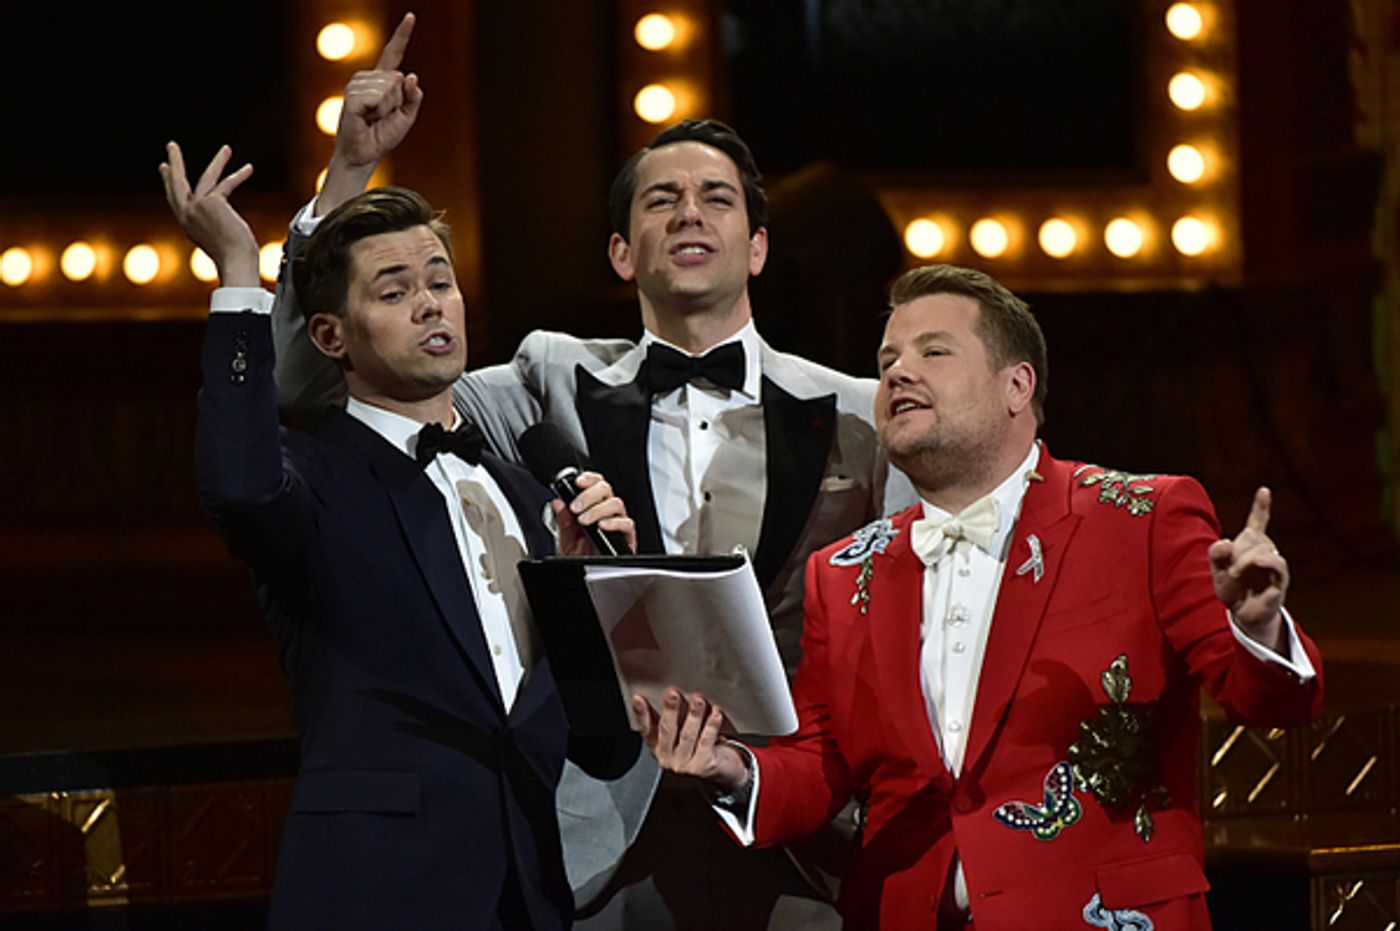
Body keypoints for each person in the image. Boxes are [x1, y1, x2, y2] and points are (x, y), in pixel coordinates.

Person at [269, 14, 914, 930]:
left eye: (716, 198)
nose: (689, 213)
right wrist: (347, 174)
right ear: (621, 252)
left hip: (795, 834)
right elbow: (311, 384)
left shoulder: (858, 409)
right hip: (599, 842)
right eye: (660, 200)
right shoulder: (544, 379)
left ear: (758, 246)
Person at [635, 264, 1324, 930]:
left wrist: (1258, 627)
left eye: (934, 351)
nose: (899, 371)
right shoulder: (842, 572)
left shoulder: (1143, 517)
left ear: (1016, 385)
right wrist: (731, 767)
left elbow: (1273, 701)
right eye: (887, 361)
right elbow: (822, 763)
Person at [161, 142, 639, 930]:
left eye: (440, 282)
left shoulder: (524, 493)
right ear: (331, 336)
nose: (429, 304)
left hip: (528, 897)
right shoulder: (310, 477)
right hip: (374, 895)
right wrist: (238, 274)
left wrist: (587, 603)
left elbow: (604, 749)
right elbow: (238, 486)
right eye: (394, 290)